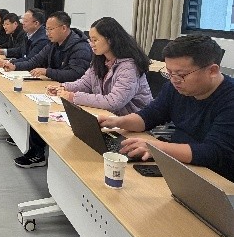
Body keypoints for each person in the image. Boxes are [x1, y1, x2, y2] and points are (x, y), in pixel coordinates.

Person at [99, 35, 234, 182]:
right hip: (179, 162)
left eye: (181, 75)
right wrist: (116, 122)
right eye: (169, 73)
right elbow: (150, 116)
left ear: (212, 71)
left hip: (215, 176)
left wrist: (156, 147)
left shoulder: (229, 99)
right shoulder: (176, 88)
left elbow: (213, 153)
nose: (174, 80)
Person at [8, 11, 92, 168]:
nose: (47, 33)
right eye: (46, 29)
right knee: (33, 105)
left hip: (72, 93)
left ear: (64, 28)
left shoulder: (80, 48)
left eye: (51, 29)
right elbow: (35, 60)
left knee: (41, 109)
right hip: (56, 88)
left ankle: (38, 154)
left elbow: (75, 75)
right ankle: (33, 147)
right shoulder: (53, 44)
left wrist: (47, 71)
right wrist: (14, 66)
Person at [46, 17, 153, 115]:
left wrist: (73, 97)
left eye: (95, 40)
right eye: (91, 40)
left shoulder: (129, 67)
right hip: (110, 117)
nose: (91, 44)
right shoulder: (100, 59)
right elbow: (85, 83)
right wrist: (63, 87)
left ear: (110, 40)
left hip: (134, 121)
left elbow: (113, 102)